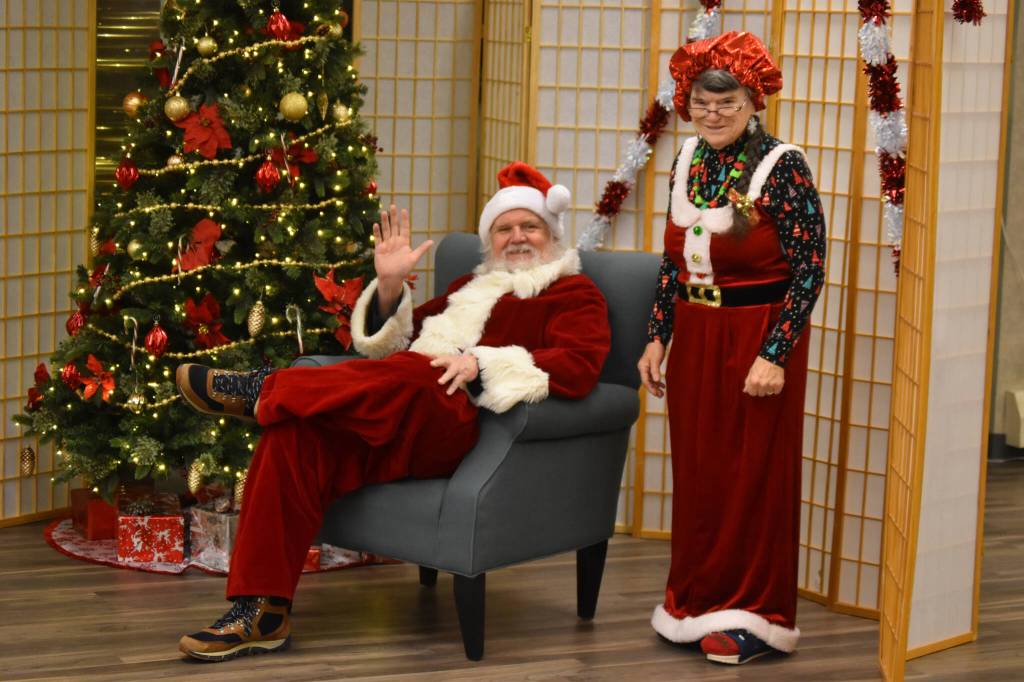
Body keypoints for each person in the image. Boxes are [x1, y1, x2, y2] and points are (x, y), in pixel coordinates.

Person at [173, 162, 610, 662]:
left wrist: (480, 363)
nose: (516, 237)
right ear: (490, 239)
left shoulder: (575, 294)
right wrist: (388, 287)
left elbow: (579, 365)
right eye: (503, 228)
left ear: (552, 233)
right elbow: (395, 344)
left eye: (529, 226)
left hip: (467, 431)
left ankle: (264, 389)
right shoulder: (469, 289)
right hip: (398, 421)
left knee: (423, 372)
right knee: (292, 435)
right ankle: (261, 611)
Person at [636, 32, 826, 665]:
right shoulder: (687, 156)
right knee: (700, 470)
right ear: (686, 103)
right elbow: (673, 262)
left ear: (753, 102)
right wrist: (657, 336)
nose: (713, 113)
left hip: (756, 338)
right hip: (695, 334)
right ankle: (693, 603)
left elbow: (809, 269)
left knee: (753, 474)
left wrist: (776, 353)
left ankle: (757, 615)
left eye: (728, 102)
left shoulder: (782, 165)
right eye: (701, 102)